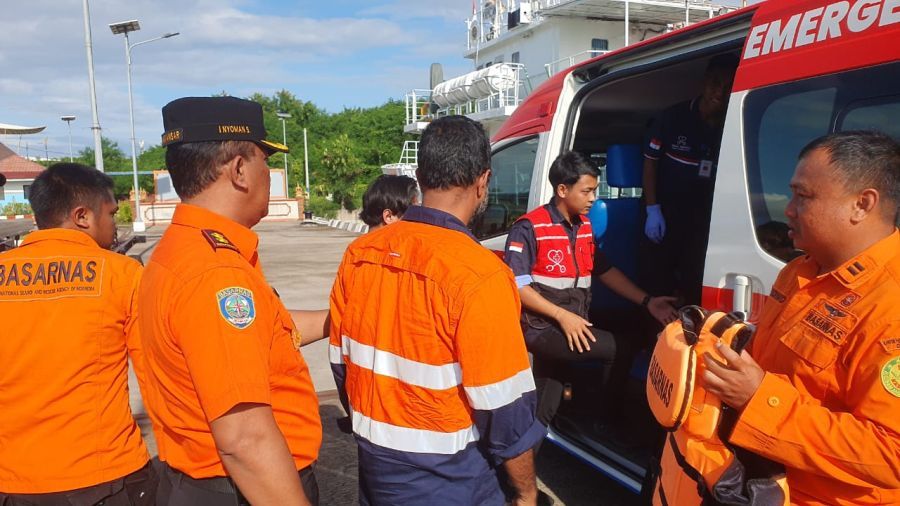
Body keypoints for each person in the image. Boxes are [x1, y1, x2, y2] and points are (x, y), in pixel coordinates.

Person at [329, 115, 545, 506]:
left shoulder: (359, 255)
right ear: (483, 181)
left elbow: (340, 364)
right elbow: (505, 409)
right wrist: (526, 492)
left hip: (376, 469)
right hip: (453, 479)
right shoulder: (480, 275)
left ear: (419, 175)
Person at [139, 96, 327, 506]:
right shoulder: (216, 275)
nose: (269, 173)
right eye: (264, 160)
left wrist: (339, 320)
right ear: (240, 169)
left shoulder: (184, 250)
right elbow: (245, 438)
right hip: (243, 489)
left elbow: (265, 332)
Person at [703, 131, 900, 504]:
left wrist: (758, 399)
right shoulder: (799, 272)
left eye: (803, 196)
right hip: (760, 484)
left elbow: (891, 452)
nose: (788, 209)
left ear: (862, 204)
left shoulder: (890, 306)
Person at [0, 163, 156, 505]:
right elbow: (157, 378)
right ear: (83, 217)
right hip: (103, 476)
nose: (115, 225)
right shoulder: (122, 274)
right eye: (111, 213)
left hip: (12, 479)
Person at [504, 151, 677, 432]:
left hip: (575, 319)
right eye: (587, 191)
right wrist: (563, 317)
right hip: (543, 328)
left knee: (546, 404)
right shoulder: (530, 228)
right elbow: (517, 285)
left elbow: (604, 270)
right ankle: (606, 424)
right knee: (618, 349)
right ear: (562, 189)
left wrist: (648, 302)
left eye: (595, 191)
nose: (593, 198)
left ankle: (521, 457)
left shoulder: (583, 226)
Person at [641, 53, 739, 305]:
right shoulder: (672, 118)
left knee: (695, 279)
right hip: (665, 214)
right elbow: (650, 162)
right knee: (658, 279)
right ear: (704, 82)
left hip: (703, 217)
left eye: (729, 86)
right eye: (715, 82)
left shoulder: (731, 125)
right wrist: (652, 209)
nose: (720, 91)